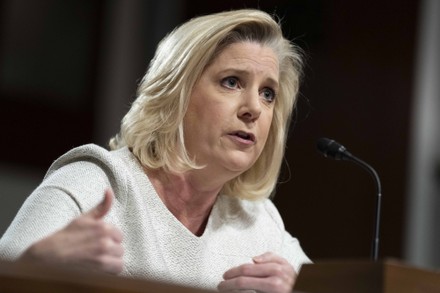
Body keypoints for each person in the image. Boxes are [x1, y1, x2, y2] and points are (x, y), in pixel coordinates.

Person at [0, 9, 311, 293]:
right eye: (231, 82)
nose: (254, 108)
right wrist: (33, 266)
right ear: (175, 93)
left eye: (267, 93)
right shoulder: (94, 182)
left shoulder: (258, 223)